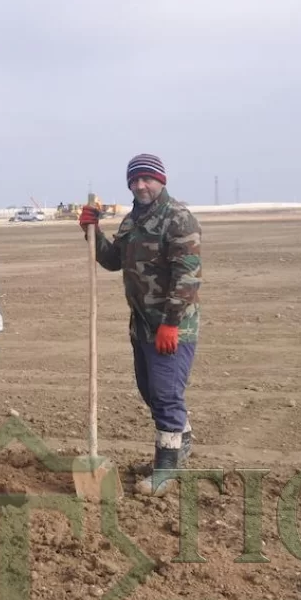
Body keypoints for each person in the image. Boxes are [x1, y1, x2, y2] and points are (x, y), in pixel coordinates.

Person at [79, 153, 203, 495]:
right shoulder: (132, 221)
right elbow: (111, 260)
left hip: (171, 326)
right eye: (134, 180)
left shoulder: (178, 219)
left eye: (147, 178)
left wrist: (171, 324)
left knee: (165, 396)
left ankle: (166, 468)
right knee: (150, 392)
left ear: (161, 180)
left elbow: (188, 277)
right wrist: (92, 231)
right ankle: (178, 442)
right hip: (143, 325)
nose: (140, 185)